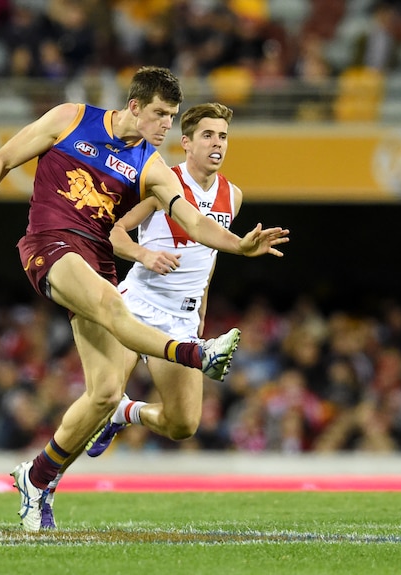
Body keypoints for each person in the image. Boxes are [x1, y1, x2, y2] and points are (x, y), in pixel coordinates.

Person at [0, 67, 289, 531]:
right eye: (160, 114)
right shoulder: (70, 118)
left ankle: (36, 479)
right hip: (51, 243)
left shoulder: (152, 167)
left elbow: (195, 224)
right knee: (113, 306)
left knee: (103, 395)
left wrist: (239, 245)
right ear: (134, 106)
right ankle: (195, 354)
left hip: (97, 262)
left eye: (172, 116)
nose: (165, 126)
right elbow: (2, 159)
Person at [39, 101, 254, 528]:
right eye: (208, 135)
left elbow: (207, 267)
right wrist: (143, 254)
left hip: (181, 318)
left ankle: (126, 413)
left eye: (223, 136)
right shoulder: (161, 182)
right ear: (187, 143)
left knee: (182, 425)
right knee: (100, 394)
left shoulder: (233, 195)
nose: (217, 144)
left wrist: (198, 322)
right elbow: (114, 233)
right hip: (136, 305)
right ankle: (42, 486)